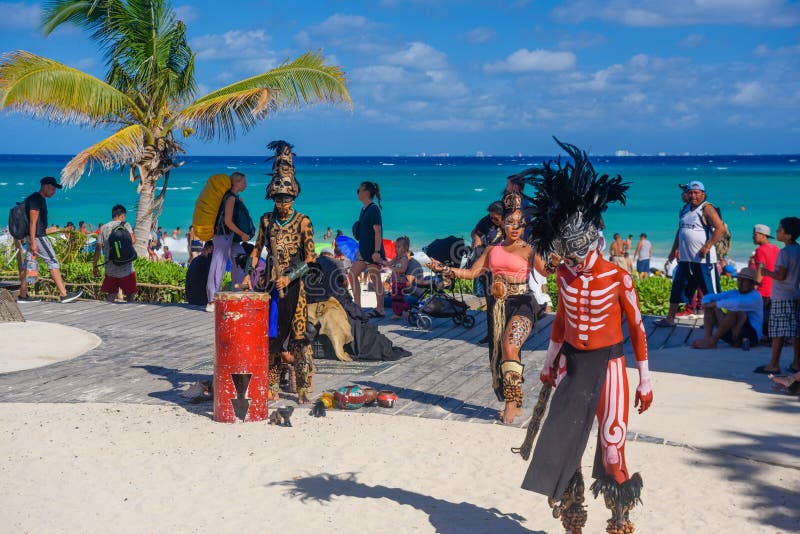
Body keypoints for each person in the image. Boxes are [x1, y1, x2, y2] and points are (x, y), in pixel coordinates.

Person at [517, 139, 652, 534]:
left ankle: (620, 520)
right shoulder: (562, 275)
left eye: (579, 255)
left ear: (595, 242)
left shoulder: (618, 276)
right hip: (572, 364)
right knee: (568, 447)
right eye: (569, 257)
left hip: (610, 364)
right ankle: (573, 521)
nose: (574, 263)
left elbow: (638, 328)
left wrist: (644, 379)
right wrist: (547, 364)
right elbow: (561, 322)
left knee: (613, 446)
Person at [429, 192, 542, 424]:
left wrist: (558, 260)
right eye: (510, 222)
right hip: (498, 307)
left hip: (523, 303)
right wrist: (445, 270)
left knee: (510, 347)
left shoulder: (529, 250)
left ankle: (512, 404)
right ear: (503, 223)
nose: (515, 228)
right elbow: (471, 273)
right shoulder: (492, 250)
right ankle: (517, 401)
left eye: (519, 224)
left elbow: (549, 270)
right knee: (502, 353)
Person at [243, 140, 315, 403]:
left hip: (296, 290)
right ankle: (271, 381)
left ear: (294, 196)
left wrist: (290, 276)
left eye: (286, 198)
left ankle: (303, 385)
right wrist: (249, 272)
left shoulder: (303, 222)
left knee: (299, 338)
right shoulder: (265, 220)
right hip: (269, 286)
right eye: (278, 197)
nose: (282, 202)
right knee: (272, 338)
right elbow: (256, 249)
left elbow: (311, 259)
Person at [656, 180, 725, 327]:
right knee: (677, 288)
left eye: (696, 193)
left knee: (710, 292)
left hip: (703, 261)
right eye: (690, 193)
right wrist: (673, 250)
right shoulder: (685, 209)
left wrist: (707, 246)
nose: (693, 196)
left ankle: (719, 322)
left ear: (703, 194)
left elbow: (720, 229)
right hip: (686, 260)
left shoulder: (707, 208)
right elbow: (680, 231)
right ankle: (670, 318)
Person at [15, 177, 82, 303]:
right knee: (52, 260)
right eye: (53, 188)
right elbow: (33, 222)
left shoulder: (37, 199)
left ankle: (23, 295)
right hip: (38, 237)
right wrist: (34, 242)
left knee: (27, 264)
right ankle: (64, 294)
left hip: (33, 236)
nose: (54, 191)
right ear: (45, 186)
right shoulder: (36, 199)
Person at [755, 217, 800, 374]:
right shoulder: (798, 250)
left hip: (782, 296)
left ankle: (773, 364)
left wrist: (766, 272)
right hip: (795, 294)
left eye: (779, 230)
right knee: (796, 332)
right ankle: (796, 363)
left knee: (777, 332)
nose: (776, 232)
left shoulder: (784, 252)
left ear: (787, 235)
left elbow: (781, 275)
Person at [205, 171, 253, 312]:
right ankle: (212, 300)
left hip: (230, 237)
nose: (246, 184)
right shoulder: (230, 198)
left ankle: (238, 294)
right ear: (236, 183)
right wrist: (242, 234)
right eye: (243, 182)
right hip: (223, 235)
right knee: (218, 265)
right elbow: (227, 221)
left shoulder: (234, 198)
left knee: (240, 259)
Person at [691, 267, 762, 349]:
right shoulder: (734, 293)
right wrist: (706, 303)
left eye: (744, 281)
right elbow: (710, 297)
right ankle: (707, 339)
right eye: (739, 280)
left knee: (735, 311)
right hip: (733, 334)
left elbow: (737, 304)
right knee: (712, 308)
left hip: (751, 337)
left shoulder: (756, 296)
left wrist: (714, 304)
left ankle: (713, 340)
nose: (740, 283)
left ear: (752, 284)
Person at [349, 181, 386, 318]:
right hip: (364, 252)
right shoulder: (364, 209)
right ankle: (357, 306)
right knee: (352, 274)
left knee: (375, 279)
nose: (357, 191)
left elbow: (378, 231)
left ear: (366, 192)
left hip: (372, 252)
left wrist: (376, 252)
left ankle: (380, 309)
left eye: (359, 189)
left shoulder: (373, 209)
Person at [92, 204, 137, 302]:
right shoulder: (126, 225)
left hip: (110, 268)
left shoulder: (103, 228)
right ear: (122, 216)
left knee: (111, 293)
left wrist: (95, 265)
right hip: (126, 268)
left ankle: (106, 312)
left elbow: (98, 248)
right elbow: (133, 240)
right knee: (130, 294)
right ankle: (131, 311)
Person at [749, 223, 780, 343]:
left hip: (764, 289)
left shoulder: (760, 250)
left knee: (760, 316)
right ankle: (773, 338)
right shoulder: (776, 248)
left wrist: (754, 286)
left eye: (755, 234)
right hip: (775, 288)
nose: (753, 237)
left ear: (763, 235)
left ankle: (765, 338)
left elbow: (760, 271)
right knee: (772, 316)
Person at [185, 241, 213, 305]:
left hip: (191, 298)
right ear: (210, 249)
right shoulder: (206, 261)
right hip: (201, 300)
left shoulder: (195, 260)